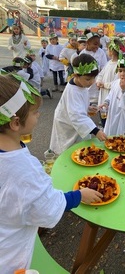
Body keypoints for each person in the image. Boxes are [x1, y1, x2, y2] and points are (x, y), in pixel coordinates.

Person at [0, 73, 103, 273]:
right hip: (10, 257)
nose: (39, 115)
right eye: (35, 112)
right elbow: (46, 210)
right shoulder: (23, 169)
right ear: (14, 123)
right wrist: (79, 195)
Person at [49, 53, 107, 155]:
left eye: (94, 78)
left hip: (73, 119)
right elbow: (77, 116)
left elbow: (77, 106)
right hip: (67, 124)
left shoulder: (81, 84)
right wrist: (96, 131)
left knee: (79, 149)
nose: (92, 82)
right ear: (76, 75)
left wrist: (87, 107)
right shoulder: (73, 91)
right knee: (68, 151)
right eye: (88, 79)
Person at [101, 53, 125, 136]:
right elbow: (111, 95)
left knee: (121, 138)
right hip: (113, 114)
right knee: (110, 134)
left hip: (124, 118)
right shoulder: (116, 82)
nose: (122, 74)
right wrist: (106, 103)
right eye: (120, 70)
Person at [96, 39, 121, 126]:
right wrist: (98, 81)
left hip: (110, 94)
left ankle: (108, 129)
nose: (107, 51)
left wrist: (105, 85)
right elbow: (101, 74)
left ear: (112, 51)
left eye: (108, 49)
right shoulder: (109, 63)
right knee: (103, 112)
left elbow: (117, 82)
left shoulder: (118, 66)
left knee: (110, 115)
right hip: (103, 93)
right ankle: (104, 127)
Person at [80, 32, 108, 103]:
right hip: (86, 82)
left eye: (98, 44)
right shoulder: (83, 54)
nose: (97, 46)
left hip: (97, 82)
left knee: (98, 103)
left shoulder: (101, 52)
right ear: (88, 42)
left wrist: (100, 80)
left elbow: (104, 68)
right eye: (95, 44)